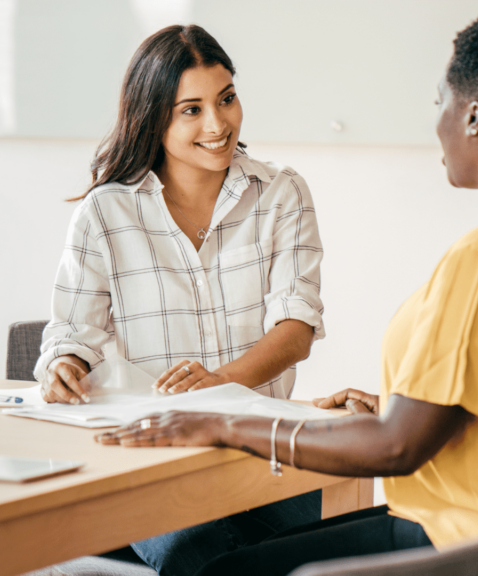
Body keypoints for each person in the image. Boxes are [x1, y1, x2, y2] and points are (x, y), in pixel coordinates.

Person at [97, 8, 478, 576]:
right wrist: (396, 408)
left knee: (218, 571)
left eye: (440, 104)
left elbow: (396, 450)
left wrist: (221, 423)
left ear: (474, 116)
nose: (438, 124)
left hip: (472, 544)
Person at [34, 25, 325, 576]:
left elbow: (296, 325)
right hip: (154, 460)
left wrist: (224, 381)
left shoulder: (281, 193)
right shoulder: (104, 213)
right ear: (153, 117)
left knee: (318, 544)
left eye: (227, 99)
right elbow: (73, 332)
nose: (218, 124)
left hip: (263, 454)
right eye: (190, 109)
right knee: (195, 555)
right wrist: (65, 365)